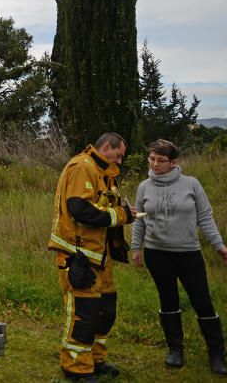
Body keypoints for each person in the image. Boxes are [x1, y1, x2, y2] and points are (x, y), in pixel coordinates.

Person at [131, 139, 227, 376]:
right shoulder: (144, 187)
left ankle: (217, 354)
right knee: (168, 301)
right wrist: (136, 248)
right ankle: (175, 350)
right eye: (151, 159)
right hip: (157, 254)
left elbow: (205, 218)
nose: (155, 164)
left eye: (161, 160)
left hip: (188, 254)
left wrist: (219, 246)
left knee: (202, 301)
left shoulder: (191, 184)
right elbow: (140, 219)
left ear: (173, 162)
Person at [48, 132, 135, 382]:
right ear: (106, 146)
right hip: (78, 258)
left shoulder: (102, 172)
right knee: (84, 315)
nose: (119, 162)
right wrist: (122, 215)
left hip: (100, 257)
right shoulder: (82, 167)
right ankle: (75, 367)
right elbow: (80, 210)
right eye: (118, 155)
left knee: (105, 311)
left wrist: (122, 214)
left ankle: (96, 360)